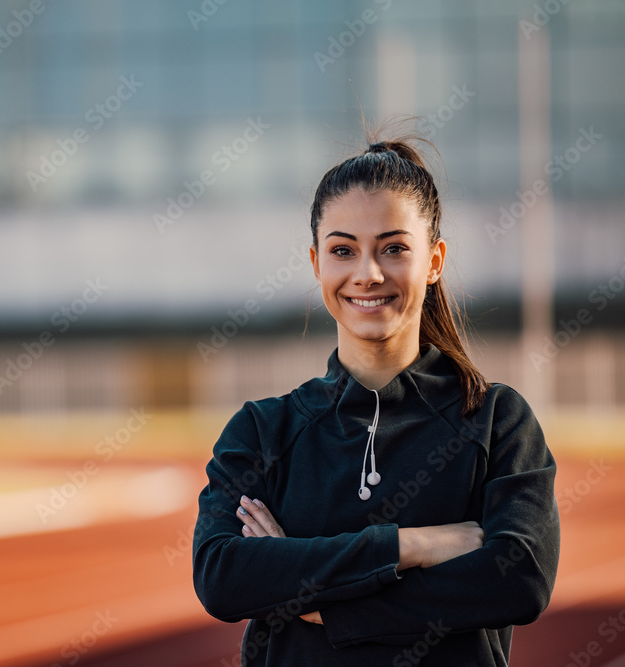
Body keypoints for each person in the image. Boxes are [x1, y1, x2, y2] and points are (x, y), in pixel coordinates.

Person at [191, 132, 560, 666]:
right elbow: (223, 576)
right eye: (344, 250)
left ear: (434, 261)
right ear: (317, 263)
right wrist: (413, 547)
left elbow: (520, 577)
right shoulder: (261, 432)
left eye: (394, 248)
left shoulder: (497, 421)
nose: (368, 273)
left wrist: (322, 599)